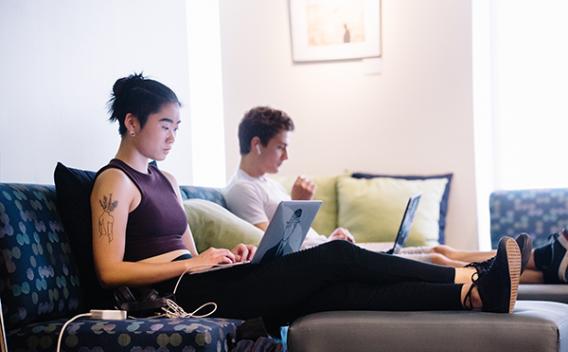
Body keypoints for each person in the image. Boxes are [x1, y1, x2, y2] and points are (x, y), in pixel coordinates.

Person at [89, 74, 522, 333]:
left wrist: (223, 258)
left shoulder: (166, 178)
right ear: (131, 123)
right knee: (335, 255)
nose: (171, 136)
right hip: (178, 297)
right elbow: (110, 272)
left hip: (206, 282)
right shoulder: (114, 183)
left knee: (340, 292)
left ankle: (476, 294)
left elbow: (187, 249)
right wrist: (192, 264)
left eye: (176, 127)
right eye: (165, 125)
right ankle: (469, 273)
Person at [223, 106, 568, 284]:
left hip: (330, 248)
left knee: (438, 249)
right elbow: (273, 251)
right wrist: (297, 204)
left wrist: (333, 235)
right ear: (257, 144)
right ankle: (543, 260)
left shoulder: (270, 182)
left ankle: (541, 266)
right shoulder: (242, 189)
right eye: (281, 148)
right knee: (437, 259)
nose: (286, 157)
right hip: (322, 260)